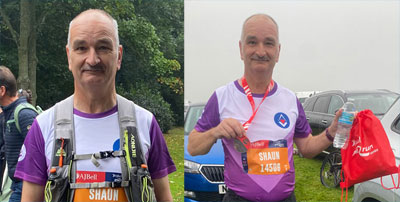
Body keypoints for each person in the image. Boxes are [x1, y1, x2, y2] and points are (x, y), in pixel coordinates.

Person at [14, 9, 176, 202]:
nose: (92, 59)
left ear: (119, 56)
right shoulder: (43, 126)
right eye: (81, 48)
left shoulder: (145, 123)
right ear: (69, 56)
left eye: (103, 47)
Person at [187, 14, 342, 202]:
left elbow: (307, 148)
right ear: (241, 49)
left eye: (268, 43)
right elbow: (193, 147)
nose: (260, 51)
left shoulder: (290, 99)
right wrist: (216, 132)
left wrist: (331, 133)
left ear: (278, 51)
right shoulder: (222, 97)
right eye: (252, 42)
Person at [0, 66, 39, 202]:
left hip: (26, 185)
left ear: (2, 90)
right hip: (17, 184)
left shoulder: (24, 114)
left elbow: (41, 152)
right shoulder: (7, 114)